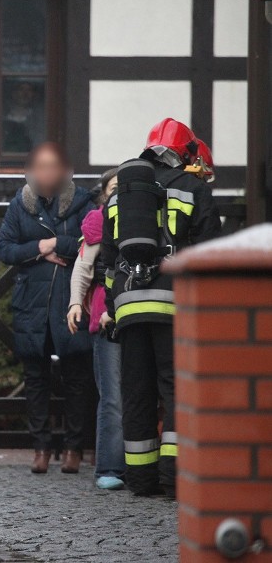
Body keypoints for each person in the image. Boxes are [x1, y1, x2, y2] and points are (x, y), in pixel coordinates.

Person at [101, 119, 221, 497]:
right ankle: (174, 479)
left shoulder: (120, 196)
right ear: (185, 153)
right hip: (174, 305)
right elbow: (209, 253)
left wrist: (114, 307)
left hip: (128, 305)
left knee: (136, 392)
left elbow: (108, 261)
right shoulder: (193, 188)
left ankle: (140, 480)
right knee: (175, 389)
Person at [0, 142, 96, 475]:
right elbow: (5, 248)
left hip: (72, 302)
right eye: (41, 166)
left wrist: (58, 244)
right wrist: (39, 247)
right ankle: (40, 447)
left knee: (76, 378)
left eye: (53, 166)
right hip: (32, 303)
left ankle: (73, 448)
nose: (47, 173)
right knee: (35, 377)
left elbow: (92, 241)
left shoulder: (82, 202)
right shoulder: (20, 204)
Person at [67, 168, 125, 490]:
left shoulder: (144, 218)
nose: (118, 192)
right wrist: (76, 303)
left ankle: (137, 466)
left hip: (138, 313)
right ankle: (109, 467)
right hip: (106, 314)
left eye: (122, 187)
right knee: (113, 396)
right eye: (113, 187)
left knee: (137, 394)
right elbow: (83, 268)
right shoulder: (97, 220)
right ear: (104, 193)